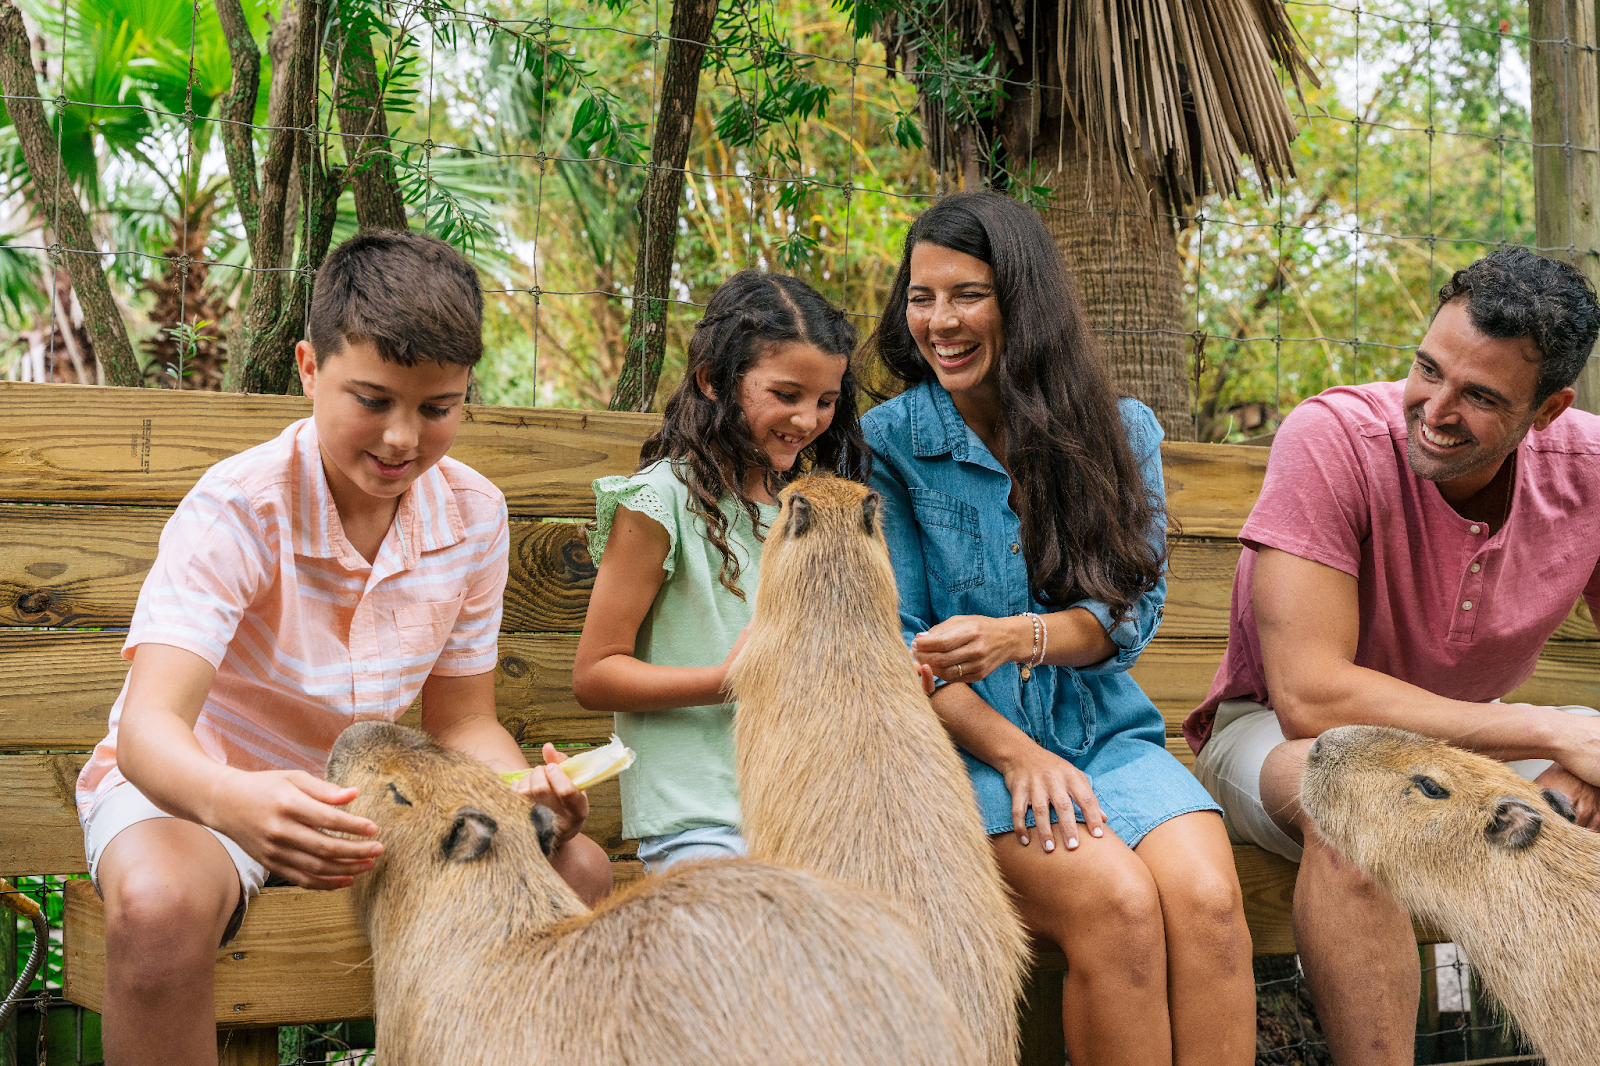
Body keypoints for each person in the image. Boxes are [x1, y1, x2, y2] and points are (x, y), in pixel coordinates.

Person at [78, 231, 612, 1066]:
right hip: (199, 789)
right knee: (157, 907)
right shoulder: (241, 507)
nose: (404, 438)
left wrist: (521, 792)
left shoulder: (473, 514)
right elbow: (149, 730)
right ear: (307, 369)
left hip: (367, 807)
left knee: (574, 870)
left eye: (438, 409)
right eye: (373, 400)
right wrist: (233, 803)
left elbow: (464, 721)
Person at [862, 191, 1255, 1066]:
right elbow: (900, 643)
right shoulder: (887, 442)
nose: (939, 321)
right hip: (964, 756)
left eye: (967, 294)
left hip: (1106, 738)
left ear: (1023, 298)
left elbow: (1127, 615)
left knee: (1210, 907)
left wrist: (1021, 637)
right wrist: (1015, 753)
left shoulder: (1119, 430)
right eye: (921, 297)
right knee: (1116, 905)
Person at [1185, 247, 1600, 1065]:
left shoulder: (1589, 470)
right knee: (1363, 797)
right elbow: (1313, 699)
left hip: (1472, 745)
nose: (1434, 409)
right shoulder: (1332, 438)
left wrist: (1581, 757)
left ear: (1548, 410)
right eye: (1426, 369)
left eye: (1479, 396)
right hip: (1275, 740)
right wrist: (1552, 730)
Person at [571, 271, 868, 873]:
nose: (808, 420)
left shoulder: (808, 507)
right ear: (712, 380)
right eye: (786, 395)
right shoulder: (659, 501)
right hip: (703, 819)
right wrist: (725, 679)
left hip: (811, 809)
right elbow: (595, 674)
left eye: (826, 401)